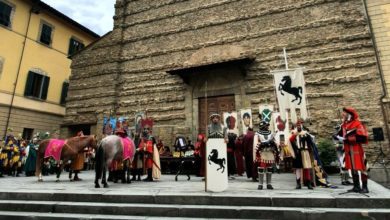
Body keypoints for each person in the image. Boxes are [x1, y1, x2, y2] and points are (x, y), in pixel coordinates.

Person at [334, 107, 369, 193]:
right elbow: (341, 134)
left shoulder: (357, 123)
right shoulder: (344, 124)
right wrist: (337, 135)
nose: (343, 114)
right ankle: (356, 186)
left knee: (361, 167)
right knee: (353, 168)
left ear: (349, 114)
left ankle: (365, 187)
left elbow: (362, 137)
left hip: (356, 149)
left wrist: (347, 139)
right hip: (348, 149)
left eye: (344, 113)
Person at [253, 120, 279, 190]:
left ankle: (269, 184)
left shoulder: (270, 133)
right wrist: (262, 144)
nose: (267, 126)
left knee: (269, 168)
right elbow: (256, 143)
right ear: (263, 126)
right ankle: (260, 184)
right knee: (261, 167)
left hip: (269, 152)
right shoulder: (257, 134)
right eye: (266, 125)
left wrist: (272, 143)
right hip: (262, 152)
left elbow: (275, 142)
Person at [289, 120, 315, 190]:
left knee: (306, 167)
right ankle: (298, 183)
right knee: (298, 168)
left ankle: (308, 183)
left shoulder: (305, 133)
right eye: (297, 125)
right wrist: (295, 133)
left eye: (299, 125)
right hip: (297, 152)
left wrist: (310, 152)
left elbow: (310, 143)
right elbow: (290, 141)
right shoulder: (293, 133)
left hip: (305, 152)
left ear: (301, 126)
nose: (298, 126)